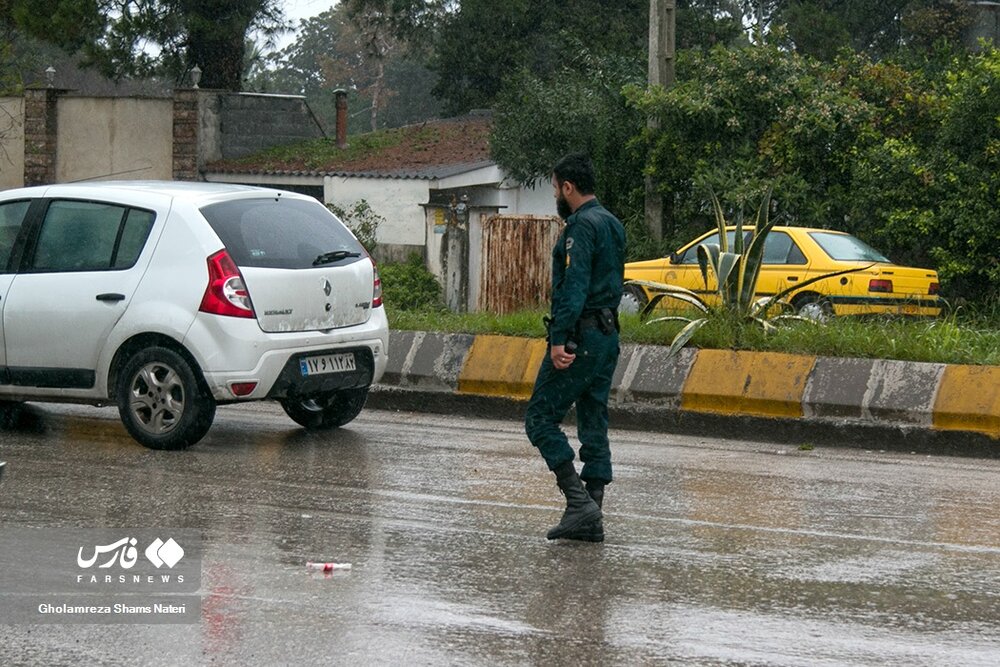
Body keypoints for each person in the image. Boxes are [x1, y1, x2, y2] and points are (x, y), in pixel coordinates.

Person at [525, 152, 626, 542]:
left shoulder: (580, 227)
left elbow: (574, 286)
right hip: (607, 335)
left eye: (554, 187)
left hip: (581, 336)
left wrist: (558, 339)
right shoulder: (613, 224)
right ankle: (592, 515)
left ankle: (578, 503)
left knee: (539, 418)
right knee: (592, 417)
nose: (555, 194)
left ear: (567, 187)